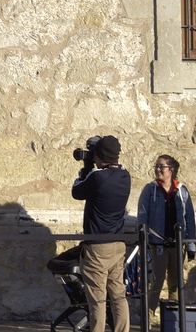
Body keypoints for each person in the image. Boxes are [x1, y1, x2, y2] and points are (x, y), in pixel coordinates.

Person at [71, 134, 131, 332]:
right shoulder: (125, 176)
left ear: (99, 155)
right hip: (118, 243)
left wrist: (87, 167)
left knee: (97, 299)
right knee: (118, 296)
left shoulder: (97, 177)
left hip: (98, 246)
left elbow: (76, 191)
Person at [137, 153, 194, 331]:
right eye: (157, 166)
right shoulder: (150, 189)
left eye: (162, 166)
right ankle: (148, 316)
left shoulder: (182, 190)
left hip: (177, 245)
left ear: (172, 170)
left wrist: (191, 245)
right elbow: (142, 216)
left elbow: (190, 218)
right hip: (158, 244)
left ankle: (173, 318)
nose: (158, 169)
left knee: (176, 283)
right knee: (156, 281)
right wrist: (144, 239)